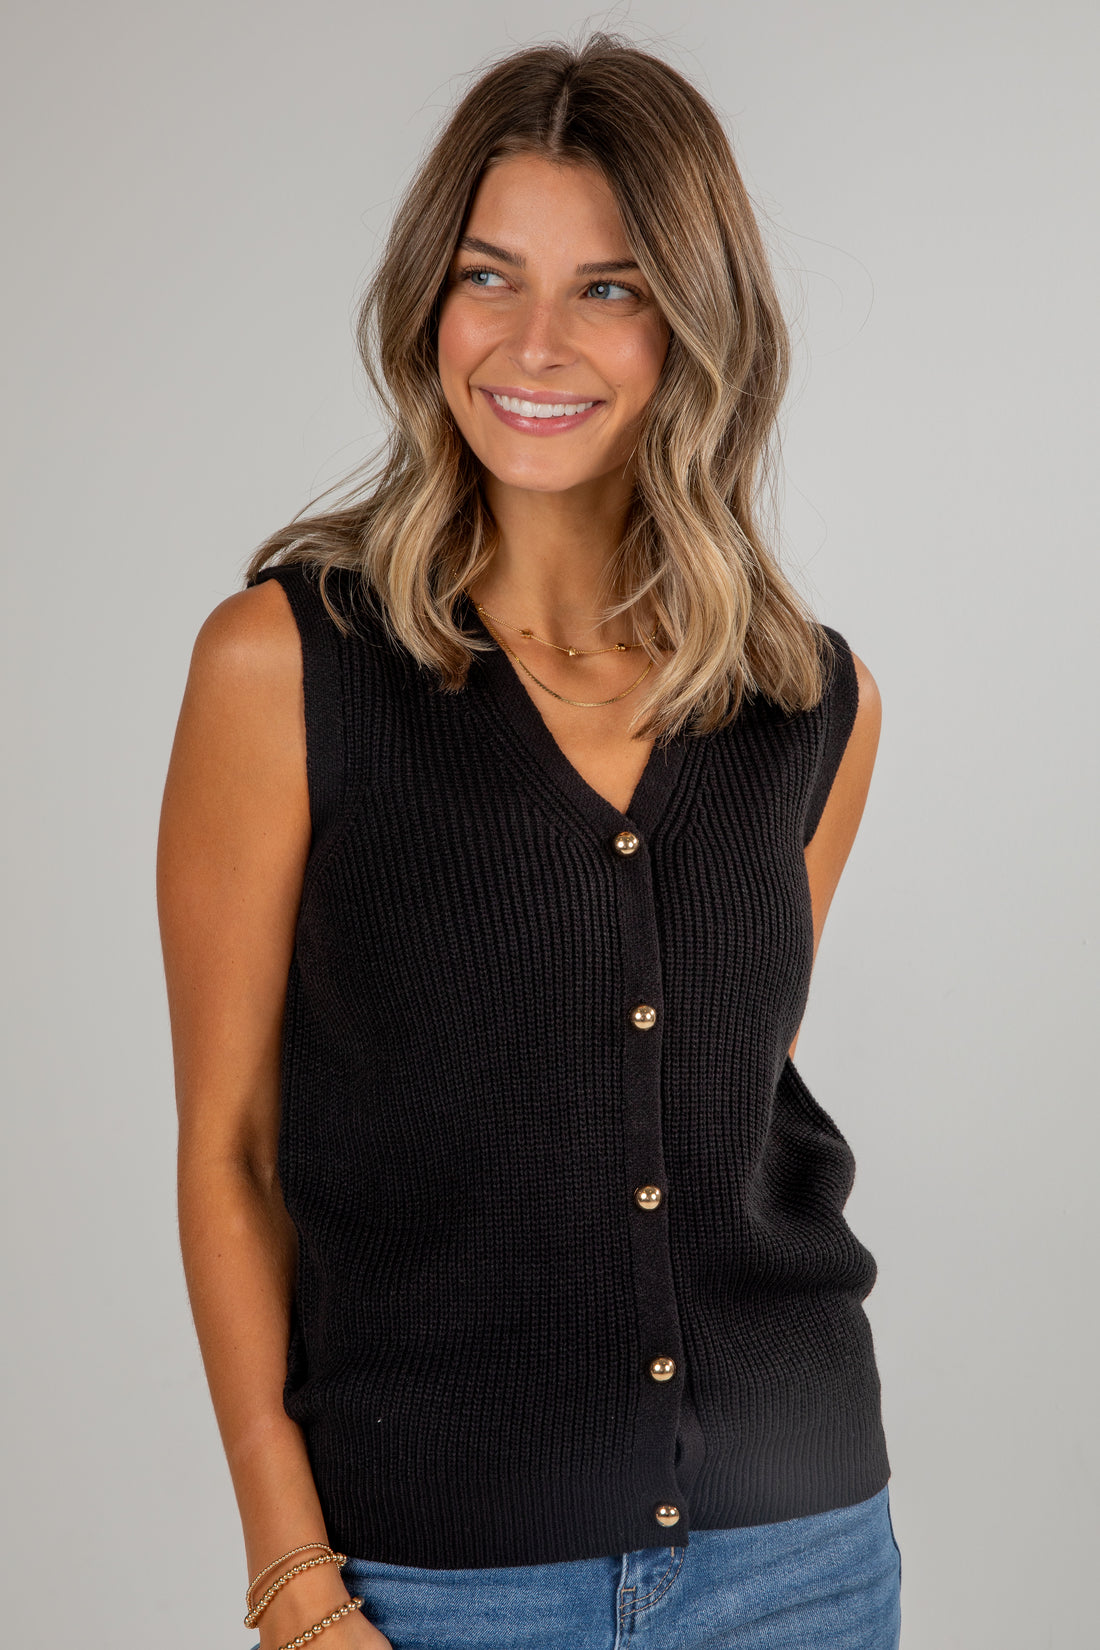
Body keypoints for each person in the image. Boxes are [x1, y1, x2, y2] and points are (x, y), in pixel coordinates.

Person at [157, 32, 900, 1650]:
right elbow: (228, 1149)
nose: (535, 340)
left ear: (693, 328)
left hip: (803, 1561)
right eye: (492, 276)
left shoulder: (812, 705)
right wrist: (291, 1573)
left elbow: (705, 1121)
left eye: (612, 288)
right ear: (431, 300)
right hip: (430, 1579)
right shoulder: (283, 668)